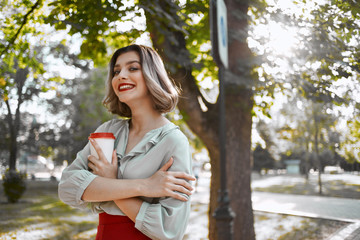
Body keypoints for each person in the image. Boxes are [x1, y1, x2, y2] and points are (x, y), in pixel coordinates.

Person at [58, 44, 195, 240]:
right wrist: (144, 186)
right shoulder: (108, 131)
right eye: (116, 71)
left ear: (152, 76)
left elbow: (169, 231)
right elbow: (68, 187)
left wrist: (109, 184)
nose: (121, 75)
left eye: (132, 68)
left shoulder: (173, 141)